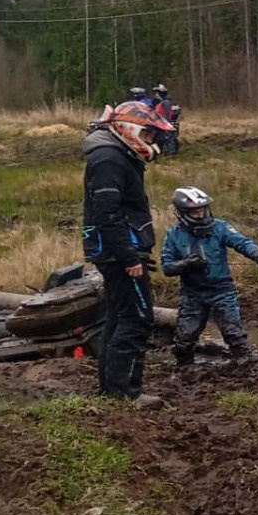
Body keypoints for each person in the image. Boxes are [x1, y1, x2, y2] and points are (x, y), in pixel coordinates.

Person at [82, 99, 174, 406]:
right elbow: (107, 212)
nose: (150, 141)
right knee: (137, 319)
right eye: (147, 134)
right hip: (119, 251)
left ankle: (111, 391)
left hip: (116, 248)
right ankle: (126, 392)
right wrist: (129, 257)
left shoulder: (116, 154)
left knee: (118, 317)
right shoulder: (109, 158)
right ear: (130, 129)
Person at [161, 186, 258, 365]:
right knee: (184, 339)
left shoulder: (220, 227)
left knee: (233, 333)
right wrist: (187, 264)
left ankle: (247, 368)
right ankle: (184, 371)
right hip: (192, 293)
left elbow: (242, 242)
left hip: (221, 289)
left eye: (202, 211)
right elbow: (167, 267)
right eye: (195, 213)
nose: (201, 215)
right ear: (183, 213)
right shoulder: (174, 235)